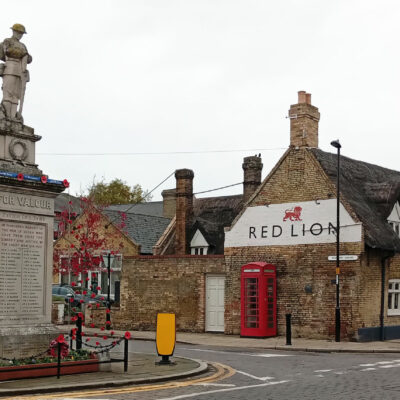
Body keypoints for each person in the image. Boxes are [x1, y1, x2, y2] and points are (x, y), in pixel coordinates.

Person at [0, 24, 32, 120]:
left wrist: (26, 55)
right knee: (8, 94)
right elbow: (7, 51)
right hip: (10, 67)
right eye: (18, 32)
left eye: (21, 33)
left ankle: (13, 117)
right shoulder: (7, 41)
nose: (20, 35)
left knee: (16, 96)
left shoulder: (23, 46)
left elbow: (29, 59)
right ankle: (7, 117)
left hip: (20, 70)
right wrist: (22, 53)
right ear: (13, 31)